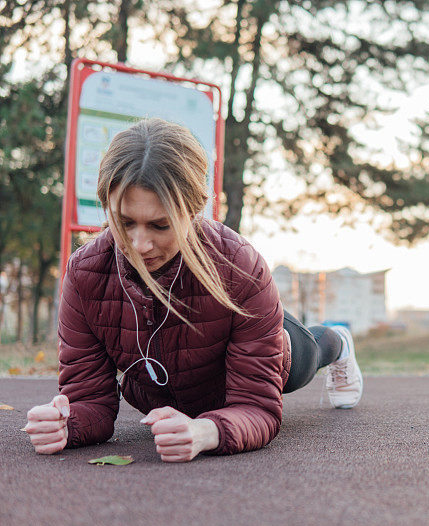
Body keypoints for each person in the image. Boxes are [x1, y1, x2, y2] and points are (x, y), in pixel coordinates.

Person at [24, 118, 364, 462]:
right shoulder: (85, 275)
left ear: (193, 210)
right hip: (166, 390)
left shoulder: (241, 268)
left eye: (160, 225)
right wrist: (66, 424)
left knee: (309, 355)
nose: (139, 244)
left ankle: (338, 343)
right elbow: (89, 401)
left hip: (261, 346)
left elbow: (256, 408)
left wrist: (207, 431)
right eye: (125, 222)